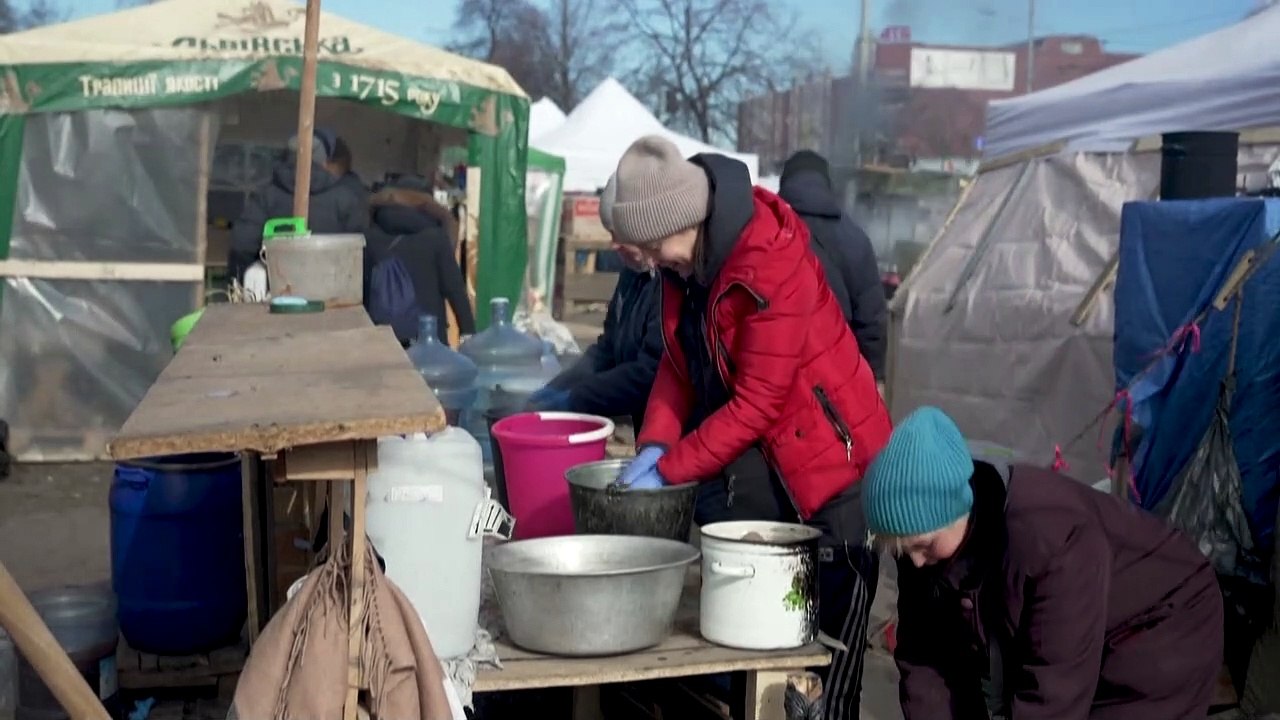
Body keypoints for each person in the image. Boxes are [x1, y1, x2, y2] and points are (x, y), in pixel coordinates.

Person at [609, 135, 892, 720]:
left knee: (822, 671)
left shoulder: (769, 261)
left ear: (685, 220)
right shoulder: (687, 268)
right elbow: (678, 363)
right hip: (768, 475)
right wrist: (656, 439)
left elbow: (758, 403)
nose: (654, 262)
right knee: (759, 662)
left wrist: (669, 470)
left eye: (655, 247)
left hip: (835, 479)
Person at [863, 406, 1224, 720]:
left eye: (922, 545)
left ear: (958, 510)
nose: (914, 561)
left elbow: (1052, 693)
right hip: (1084, 640)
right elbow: (928, 663)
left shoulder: (1052, 541)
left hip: (1162, 623)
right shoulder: (924, 550)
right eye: (901, 550)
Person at [527, 175, 662, 429]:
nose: (614, 245)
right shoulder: (632, 274)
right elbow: (607, 351)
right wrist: (559, 386)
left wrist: (577, 398)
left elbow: (650, 373)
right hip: (633, 423)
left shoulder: (670, 284)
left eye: (620, 233)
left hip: (660, 426)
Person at [778, 150, 888, 390]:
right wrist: (876, 377)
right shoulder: (855, 238)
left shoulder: (762, 230)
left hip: (773, 379)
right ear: (827, 185)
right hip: (837, 380)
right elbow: (872, 320)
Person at [227, 129, 369, 281]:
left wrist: (244, 282)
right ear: (324, 162)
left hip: (278, 293)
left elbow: (242, 245)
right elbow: (363, 251)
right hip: (332, 291)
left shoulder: (266, 196)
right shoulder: (346, 198)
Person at [364, 181, 476, 345]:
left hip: (382, 341)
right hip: (430, 340)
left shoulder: (369, 239)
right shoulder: (435, 239)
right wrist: (468, 335)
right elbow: (455, 291)